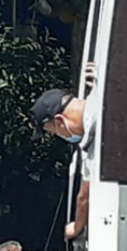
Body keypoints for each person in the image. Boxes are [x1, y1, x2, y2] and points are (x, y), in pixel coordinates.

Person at [31, 64, 96, 241]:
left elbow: (84, 197)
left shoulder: (94, 145)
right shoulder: (100, 94)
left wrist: (76, 228)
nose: (60, 136)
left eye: (53, 132)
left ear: (60, 121)